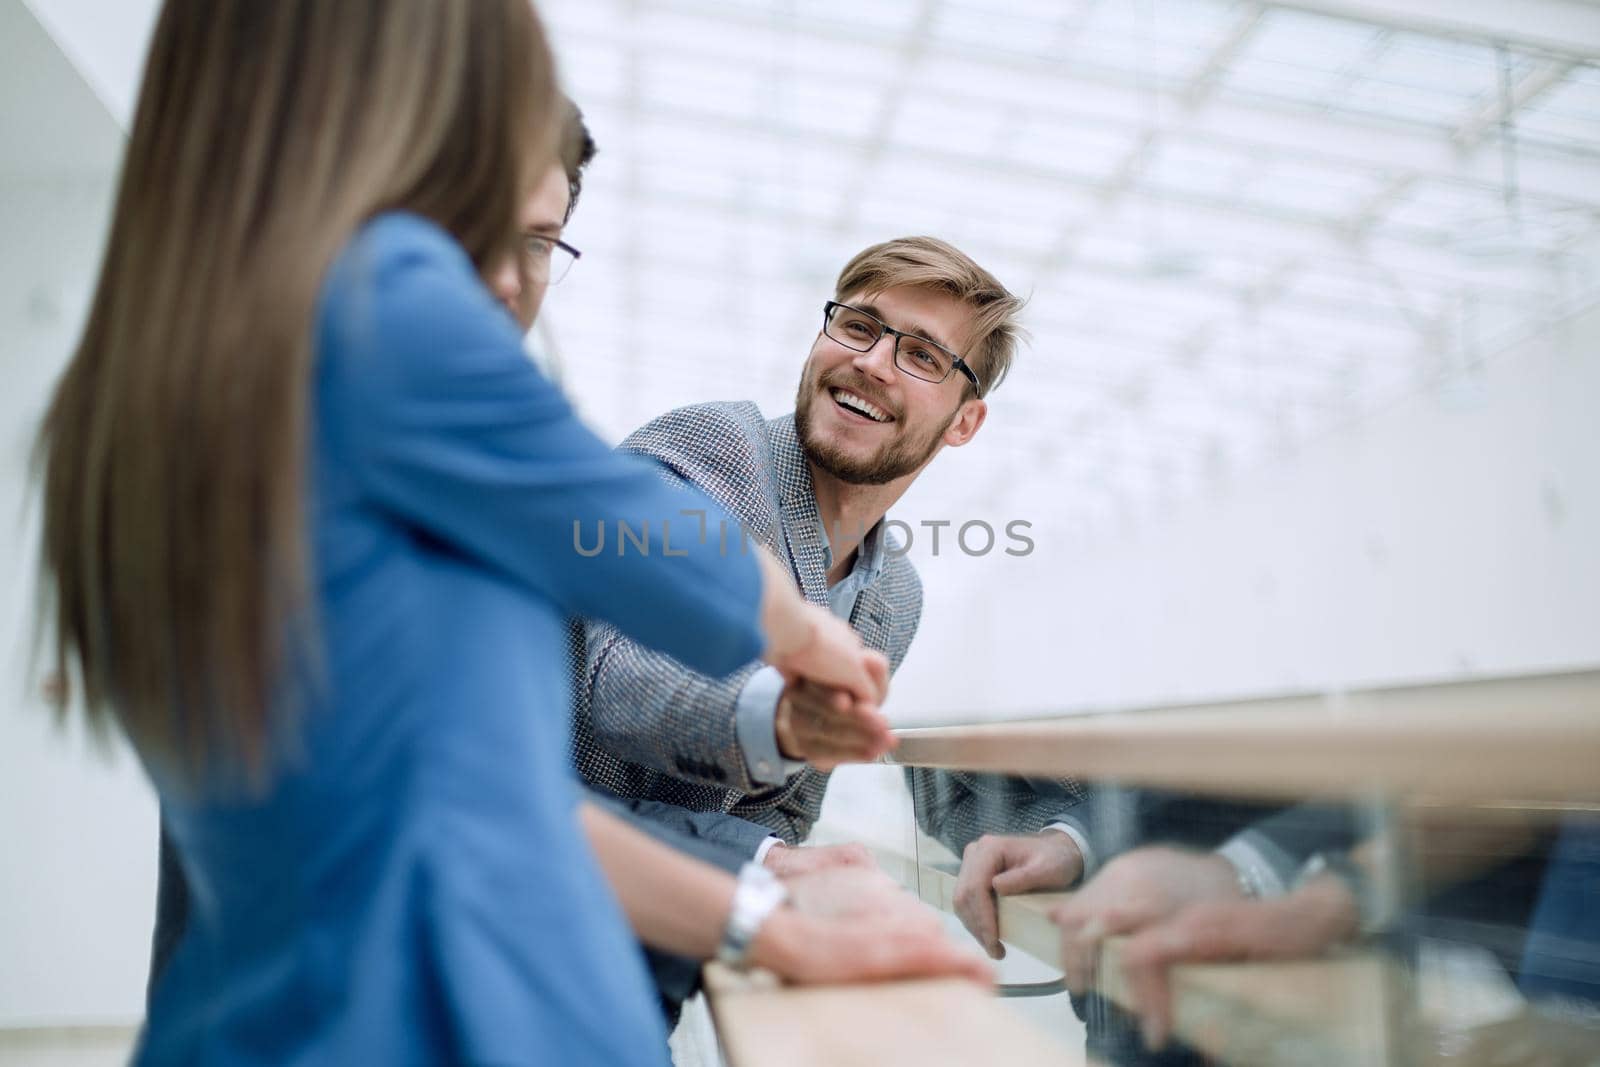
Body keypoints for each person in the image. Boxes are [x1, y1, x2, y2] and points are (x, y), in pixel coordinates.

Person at [37, 4, 981, 1064]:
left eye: (537, 238)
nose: (496, 273)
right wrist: (796, 635)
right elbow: (626, 530)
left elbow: (465, 801)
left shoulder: (206, 385)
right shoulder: (373, 301)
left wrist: (759, 912)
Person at [570, 234, 1048, 857]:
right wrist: (778, 720)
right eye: (858, 326)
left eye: (924, 357)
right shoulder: (716, 450)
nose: (873, 362)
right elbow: (627, 678)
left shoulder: (896, 597)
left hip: (681, 919)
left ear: (964, 422)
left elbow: (790, 810)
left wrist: (777, 862)